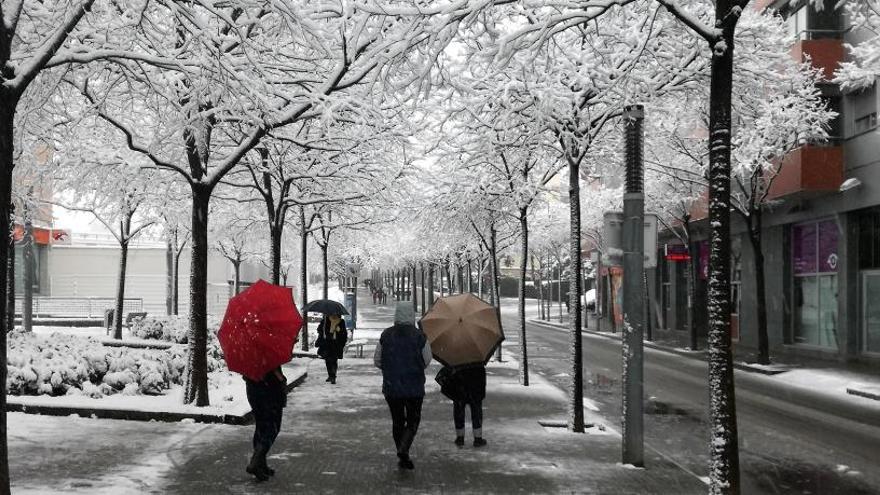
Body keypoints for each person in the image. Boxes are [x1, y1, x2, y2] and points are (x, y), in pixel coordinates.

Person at [373, 302, 432, 470]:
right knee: (413, 419)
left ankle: (401, 451)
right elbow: (427, 359)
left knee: (397, 420)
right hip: (414, 387)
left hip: (392, 387)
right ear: (412, 315)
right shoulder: (420, 336)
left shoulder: (386, 335)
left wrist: (391, 368)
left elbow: (377, 360)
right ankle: (404, 449)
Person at [245, 366, 287, 481]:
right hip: (270, 393)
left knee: (261, 426)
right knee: (272, 429)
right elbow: (277, 377)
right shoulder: (268, 356)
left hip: (253, 391)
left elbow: (246, 375)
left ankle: (261, 465)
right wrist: (281, 379)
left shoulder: (249, 355)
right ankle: (255, 462)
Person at [436, 362, 487, 447]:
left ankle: (460, 437)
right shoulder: (478, 354)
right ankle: (477, 438)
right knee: (476, 409)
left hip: (459, 377)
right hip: (476, 377)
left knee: (459, 408)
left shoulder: (457, 353)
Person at [316, 313, 348, 384]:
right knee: (327, 360)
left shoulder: (341, 321)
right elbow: (319, 329)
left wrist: (339, 330)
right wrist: (322, 329)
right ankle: (330, 375)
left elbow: (344, 333)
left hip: (336, 344)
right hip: (326, 343)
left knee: (334, 360)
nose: (333, 315)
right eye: (332, 314)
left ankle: (333, 376)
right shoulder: (325, 321)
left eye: (335, 314)